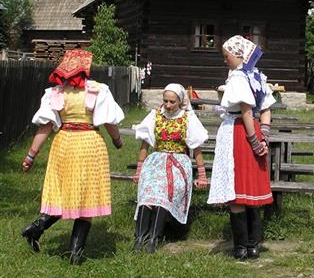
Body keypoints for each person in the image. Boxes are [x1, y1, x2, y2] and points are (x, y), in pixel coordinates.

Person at [20, 49, 124, 265]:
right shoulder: (98, 90)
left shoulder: (55, 93)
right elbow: (109, 121)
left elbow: (46, 126)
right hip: (89, 144)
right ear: (86, 67)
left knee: (63, 194)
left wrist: (31, 155)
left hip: (64, 143)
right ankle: (75, 254)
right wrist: (117, 141)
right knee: (87, 196)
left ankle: (36, 228)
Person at [207, 35, 276, 259]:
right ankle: (253, 245)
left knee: (236, 188)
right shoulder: (257, 75)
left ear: (238, 55)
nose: (225, 60)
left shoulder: (238, 77)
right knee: (251, 189)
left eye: (226, 56)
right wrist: (263, 135)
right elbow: (265, 110)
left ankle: (241, 247)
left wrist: (255, 141)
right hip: (253, 129)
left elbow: (246, 110)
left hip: (239, 132)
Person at [132, 83, 208, 253]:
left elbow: (196, 148)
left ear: (180, 101)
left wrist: (201, 175)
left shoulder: (187, 118)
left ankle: (153, 238)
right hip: (156, 160)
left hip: (178, 162)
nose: (167, 105)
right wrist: (139, 170)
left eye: (172, 102)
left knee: (164, 192)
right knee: (148, 193)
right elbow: (145, 144)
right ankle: (139, 239)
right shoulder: (156, 115)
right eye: (165, 100)